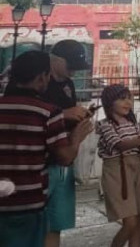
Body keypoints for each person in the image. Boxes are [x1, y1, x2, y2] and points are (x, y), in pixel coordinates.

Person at [0, 51, 93, 247]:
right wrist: (76, 138)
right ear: (42, 77)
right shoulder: (48, 113)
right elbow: (64, 158)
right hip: (29, 203)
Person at [96, 84, 140, 247]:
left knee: (138, 220)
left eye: (129, 98)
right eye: (122, 98)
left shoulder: (131, 123)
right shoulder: (105, 125)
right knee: (130, 222)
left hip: (136, 171)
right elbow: (120, 145)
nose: (128, 102)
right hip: (117, 174)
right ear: (110, 103)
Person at [42, 39, 91, 247]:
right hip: (42, 161)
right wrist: (65, 114)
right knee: (36, 221)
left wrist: (78, 117)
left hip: (64, 157)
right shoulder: (40, 80)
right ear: (55, 60)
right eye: (70, 66)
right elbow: (32, 114)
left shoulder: (68, 84)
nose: (74, 71)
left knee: (56, 223)